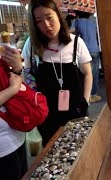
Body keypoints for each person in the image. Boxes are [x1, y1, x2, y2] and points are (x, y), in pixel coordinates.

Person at [20, 0, 92, 146]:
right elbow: (26, 75)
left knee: (78, 150)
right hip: (46, 115)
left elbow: (87, 74)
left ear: (58, 15)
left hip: (76, 111)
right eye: (39, 21)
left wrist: (85, 101)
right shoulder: (32, 45)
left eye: (49, 17)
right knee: (51, 154)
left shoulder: (76, 43)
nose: (46, 25)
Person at [0, 46, 27, 180]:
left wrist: (18, 69)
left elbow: (24, 87)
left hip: (16, 135)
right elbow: (16, 88)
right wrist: (13, 89)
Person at [74, 11, 101, 103]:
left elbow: (74, 34)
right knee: (94, 73)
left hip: (83, 50)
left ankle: (86, 95)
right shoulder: (94, 20)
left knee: (84, 73)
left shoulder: (77, 21)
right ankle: (93, 94)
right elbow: (98, 35)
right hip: (95, 49)